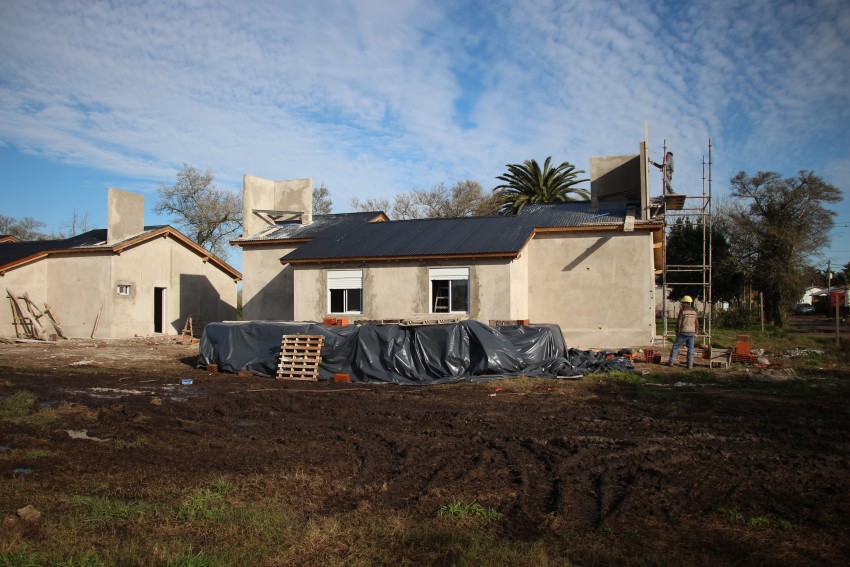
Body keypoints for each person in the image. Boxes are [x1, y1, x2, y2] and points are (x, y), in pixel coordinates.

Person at [666, 295, 698, 368]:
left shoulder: (682, 311)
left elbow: (679, 322)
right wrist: (696, 332)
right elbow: (696, 323)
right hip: (692, 333)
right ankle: (690, 365)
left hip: (683, 332)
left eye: (683, 302)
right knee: (690, 349)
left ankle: (670, 362)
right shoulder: (694, 312)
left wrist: (677, 330)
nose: (682, 304)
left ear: (686, 303)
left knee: (675, 347)